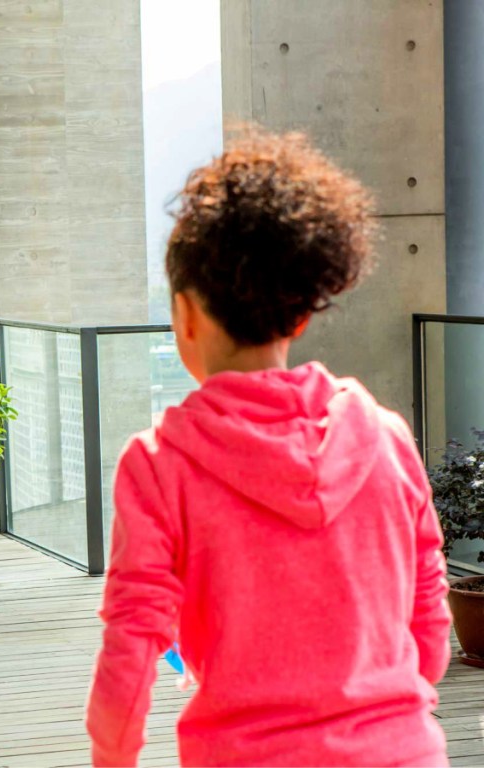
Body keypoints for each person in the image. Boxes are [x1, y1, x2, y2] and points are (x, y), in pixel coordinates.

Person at [86, 129, 452, 766]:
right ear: (300, 315)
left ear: (184, 316)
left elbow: (132, 647)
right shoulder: (385, 437)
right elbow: (429, 624)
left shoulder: (158, 465)